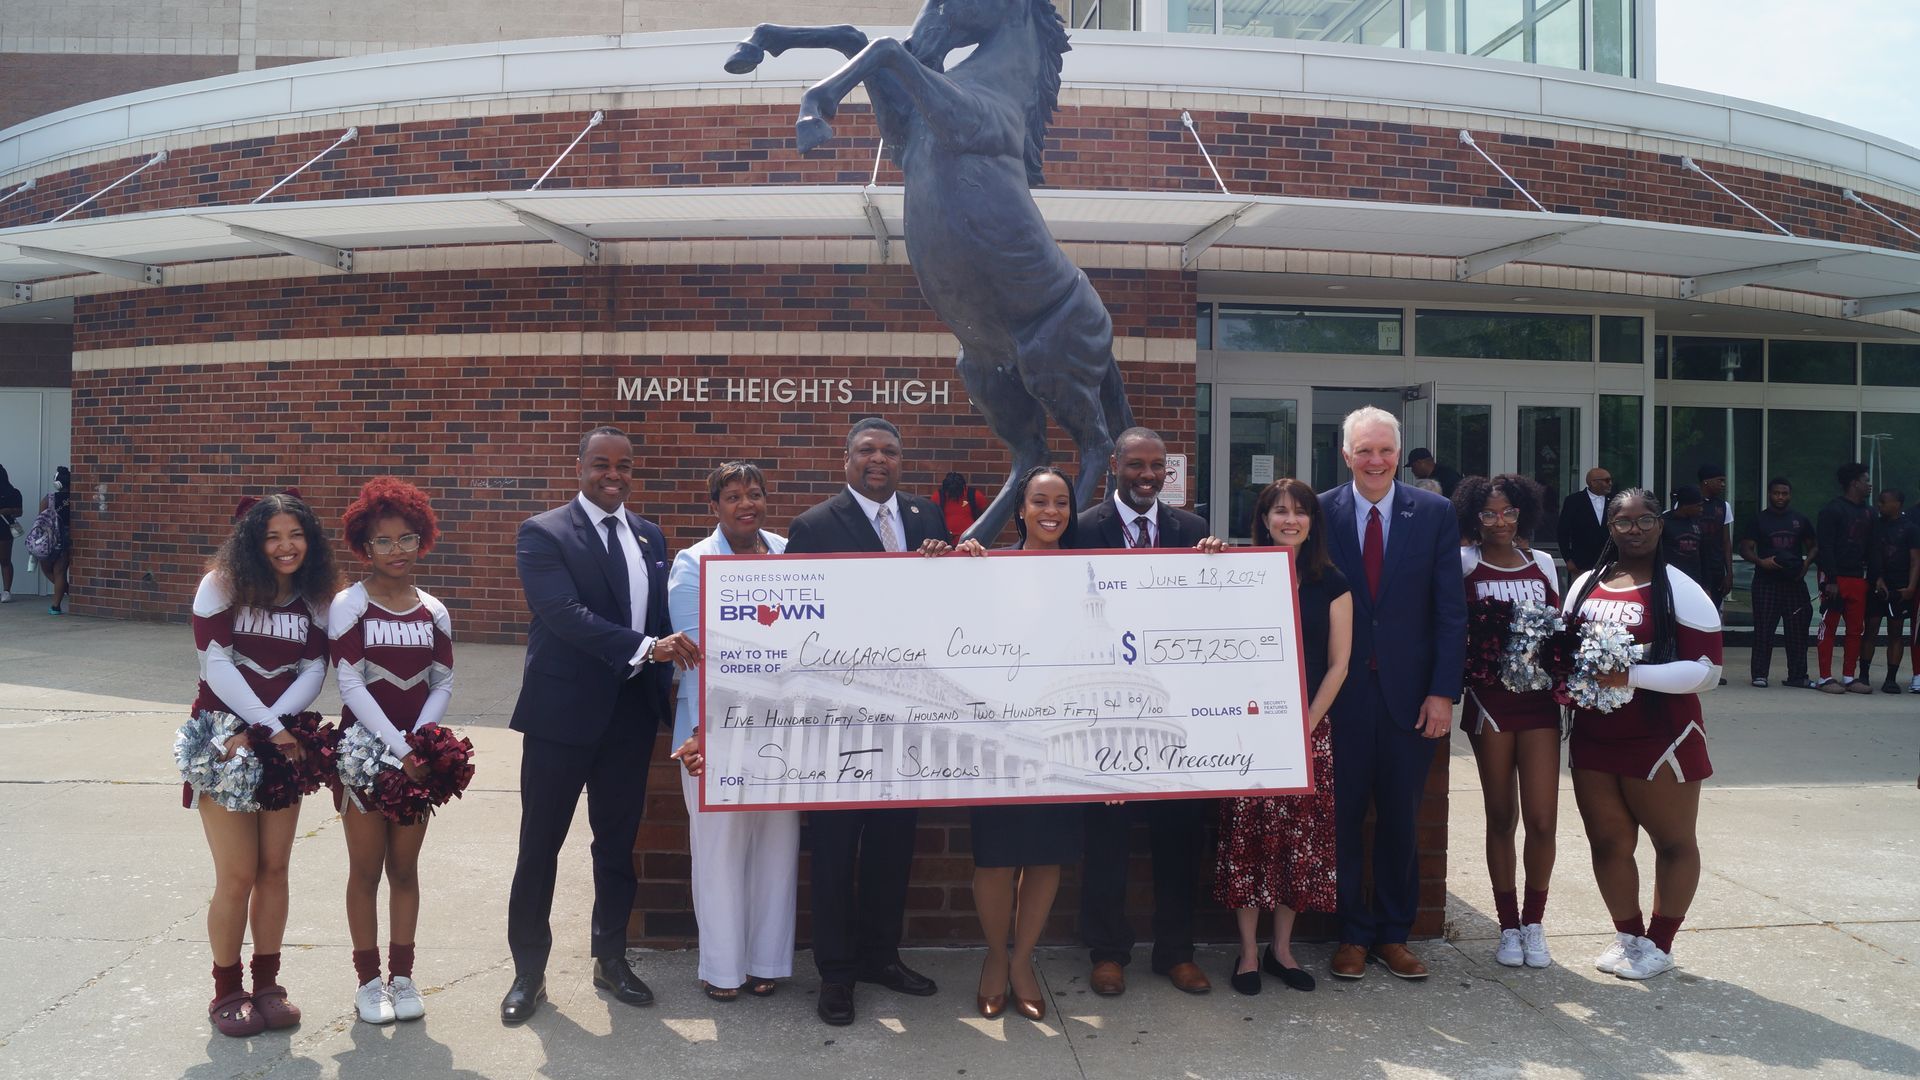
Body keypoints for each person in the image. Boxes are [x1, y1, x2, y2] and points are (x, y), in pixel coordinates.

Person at [501, 426, 702, 1024]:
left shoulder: (649, 535)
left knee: (615, 847)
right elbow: (564, 615)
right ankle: (528, 973)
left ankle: (610, 959)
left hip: (629, 719)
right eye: (601, 465)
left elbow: (663, 617)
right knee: (540, 847)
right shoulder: (544, 532)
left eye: (624, 466)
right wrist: (648, 648)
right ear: (580, 467)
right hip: (562, 717)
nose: (613, 475)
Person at [784, 417, 954, 1027]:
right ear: (845, 459)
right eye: (866, 450)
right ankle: (836, 972)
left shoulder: (927, 519)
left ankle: (883, 955)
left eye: (889, 451)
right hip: (840, 719)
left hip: (909, 716)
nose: (877, 459)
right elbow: (804, 631)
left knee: (892, 844)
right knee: (833, 848)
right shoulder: (813, 526)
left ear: (902, 461)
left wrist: (949, 562)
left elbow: (950, 608)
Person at [1319, 407, 1466, 981]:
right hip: (1341, 695)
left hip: (1409, 698)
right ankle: (1352, 935)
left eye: (1384, 450)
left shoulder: (1433, 512)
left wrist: (1441, 693)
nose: (1375, 461)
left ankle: (1393, 935)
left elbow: (1450, 612)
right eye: (1364, 451)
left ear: (1398, 454)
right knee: (1345, 818)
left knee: (1403, 821)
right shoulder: (1320, 510)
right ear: (1346, 454)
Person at [1078, 425, 1224, 997]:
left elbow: (1211, 614)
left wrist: (1217, 564)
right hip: (1107, 713)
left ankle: (1176, 952)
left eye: (1156, 467)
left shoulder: (1193, 531)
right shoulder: (1084, 529)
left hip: (1174, 716)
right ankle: (1107, 951)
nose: (1146, 476)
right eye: (1135, 465)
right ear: (1114, 464)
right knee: (1108, 840)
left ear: (1169, 471)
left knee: (1179, 839)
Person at [190, 491, 337, 1036]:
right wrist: (261, 728)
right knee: (237, 874)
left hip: (279, 743)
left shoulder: (316, 596)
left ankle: (268, 983)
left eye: (295, 534)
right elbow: (216, 664)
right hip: (224, 741)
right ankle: (226, 989)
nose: (285, 546)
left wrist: (274, 730)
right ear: (251, 541)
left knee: (275, 869)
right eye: (272, 535)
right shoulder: (221, 586)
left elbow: (313, 668)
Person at [1564, 488, 1723, 980]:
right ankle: (1629, 937)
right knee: (1607, 843)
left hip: (1662, 734)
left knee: (1673, 842)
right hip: (1595, 732)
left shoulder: (1681, 586)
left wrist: (1630, 676)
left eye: (1645, 520)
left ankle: (1661, 941)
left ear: (1661, 524)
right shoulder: (1586, 584)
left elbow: (1708, 670)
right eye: (1623, 521)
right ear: (1609, 527)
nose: (1634, 529)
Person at [666, 462, 800, 1003]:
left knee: (776, 843)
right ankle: (722, 968)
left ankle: (767, 960)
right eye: (733, 497)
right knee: (719, 847)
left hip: (785, 725)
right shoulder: (693, 563)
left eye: (755, 494)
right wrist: (704, 735)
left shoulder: (791, 555)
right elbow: (697, 656)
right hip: (712, 728)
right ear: (715, 507)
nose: (747, 504)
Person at [1214, 478, 1347, 996]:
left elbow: (1338, 665)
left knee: (1299, 844)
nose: (1290, 520)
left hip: (1308, 732)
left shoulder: (1332, 583)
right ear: (1263, 520)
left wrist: (1305, 725)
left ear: (1313, 521)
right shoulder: (1237, 575)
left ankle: (1282, 950)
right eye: (1279, 511)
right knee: (1248, 842)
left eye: (1300, 512)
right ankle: (1247, 953)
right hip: (1247, 730)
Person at [328, 478, 452, 1025]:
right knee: (365, 870)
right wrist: (400, 747)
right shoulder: (349, 605)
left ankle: (402, 977)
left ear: (422, 539)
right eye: (384, 541)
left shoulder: (434, 610)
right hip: (364, 751)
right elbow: (350, 685)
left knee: (405, 869)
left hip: (414, 758)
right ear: (364, 546)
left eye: (407, 539)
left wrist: (421, 742)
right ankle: (367, 981)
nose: (397, 550)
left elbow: (442, 680)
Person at [964, 465, 1083, 1021]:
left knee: (1044, 855)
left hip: (1064, 735)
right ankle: (994, 956)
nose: (1051, 511)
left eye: (1061, 501)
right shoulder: (987, 567)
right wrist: (944, 565)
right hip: (997, 733)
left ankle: (1023, 961)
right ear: (1021, 509)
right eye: (1040, 500)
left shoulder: (1093, 571)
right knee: (993, 857)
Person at [1454, 474, 1562, 970]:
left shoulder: (1541, 564)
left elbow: (1561, 632)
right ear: (1474, 517)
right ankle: (1508, 925)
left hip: (1539, 701)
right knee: (1502, 816)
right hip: (1489, 700)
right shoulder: (1463, 563)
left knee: (1542, 819)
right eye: (1489, 513)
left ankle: (1534, 922)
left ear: (1524, 514)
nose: (1501, 522)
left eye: (1510, 512)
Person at [1740, 478, 1817, 689]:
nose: (1780, 497)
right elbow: (1746, 548)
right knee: (1764, 629)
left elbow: (1814, 546)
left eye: (1784, 493)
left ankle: (1798, 676)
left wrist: (1805, 564)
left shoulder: (1800, 520)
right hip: (1766, 581)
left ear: (1790, 495)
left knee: (1797, 630)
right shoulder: (1759, 519)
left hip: (1794, 582)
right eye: (1776, 493)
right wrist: (1760, 561)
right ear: (1769, 494)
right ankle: (1760, 675)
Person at [1814, 463, 1874, 695]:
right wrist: (1830, 579)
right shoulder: (1832, 510)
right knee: (1828, 627)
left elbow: (1871, 548)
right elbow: (1825, 546)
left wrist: (1874, 577)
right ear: (1854, 483)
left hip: (1858, 577)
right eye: (1866, 480)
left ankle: (1849, 676)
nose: (1869, 485)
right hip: (1834, 577)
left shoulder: (1868, 512)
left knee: (1855, 630)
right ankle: (1824, 677)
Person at [1863, 489, 1920, 694]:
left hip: (1900, 586)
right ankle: (1863, 675)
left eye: (1883, 502)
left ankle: (1891, 678)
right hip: (1876, 584)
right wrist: (1876, 578)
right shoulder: (1875, 526)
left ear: (1897, 503)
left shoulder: (1910, 529)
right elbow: (1869, 554)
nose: (1879, 505)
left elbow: (1915, 560)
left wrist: (1912, 587)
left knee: (1896, 632)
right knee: (1870, 628)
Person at [1557, 467, 1613, 580]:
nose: (1610, 483)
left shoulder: (1615, 500)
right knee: (1582, 596)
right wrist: (1568, 559)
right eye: (1606, 480)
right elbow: (1563, 532)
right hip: (1581, 565)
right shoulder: (1574, 501)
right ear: (1593, 482)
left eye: (1610, 480)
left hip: (1609, 564)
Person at [40, 465, 72, 614]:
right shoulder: (76, 499)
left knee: (46, 568)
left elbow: (40, 520)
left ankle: (64, 594)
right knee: (60, 571)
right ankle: (56, 605)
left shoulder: (49, 498)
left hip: (50, 536)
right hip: (67, 537)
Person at [1662, 486, 1709, 590]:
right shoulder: (1664, 522)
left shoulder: (1698, 523)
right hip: (1670, 579)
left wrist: (1706, 587)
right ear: (1686, 506)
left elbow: (1704, 556)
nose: (1701, 509)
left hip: (1694, 581)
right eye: (1698, 506)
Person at [935, 470, 985, 539]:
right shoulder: (938, 497)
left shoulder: (974, 495)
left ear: (963, 488)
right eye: (950, 492)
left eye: (956, 492)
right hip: (945, 541)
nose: (953, 496)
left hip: (969, 541)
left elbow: (982, 519)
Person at [0, 464, 21, 603]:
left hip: (5, 528)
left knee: (5, 560)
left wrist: (4, 511)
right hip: (5, 528)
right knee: (5, 560)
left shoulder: (13, 493)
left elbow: (19, 512)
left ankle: (7, 591)